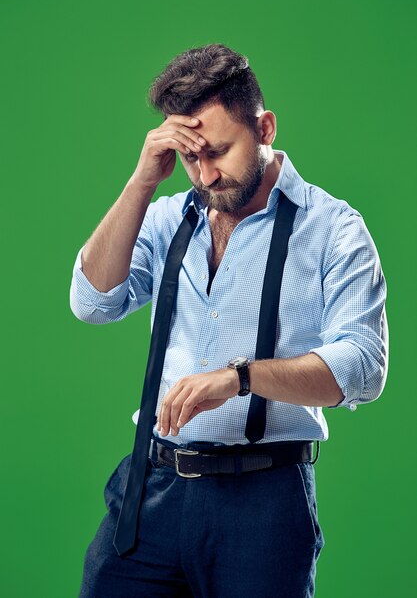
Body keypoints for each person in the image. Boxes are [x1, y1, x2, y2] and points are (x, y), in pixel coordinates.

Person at [70, 43, 389, 598]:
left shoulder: (333, 229)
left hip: (264, 500)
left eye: (218, 151)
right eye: (191, 158)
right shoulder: (168, 217)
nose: (206, 174)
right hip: (153, 488)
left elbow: (363, 367)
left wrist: (240, 377)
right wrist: (143, 181)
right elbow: (93, 301)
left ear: (264, 128)